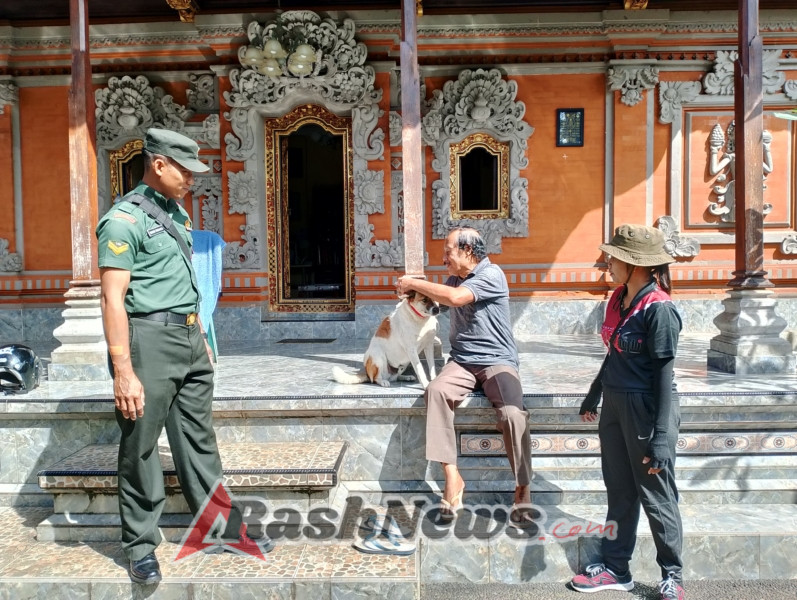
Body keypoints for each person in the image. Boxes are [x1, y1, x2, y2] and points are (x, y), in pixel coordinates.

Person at [96, 128, 273, 584]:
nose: (192, 179)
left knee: (198, 439)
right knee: (140, 446)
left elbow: (183, 283)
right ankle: (140, 546)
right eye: (185, 170)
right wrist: (123, 371)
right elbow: (112, 300)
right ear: (159, 165)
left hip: (189, 340)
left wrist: (202, 337)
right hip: (148, 343)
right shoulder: (123, 221)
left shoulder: (176, 213)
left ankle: (220, 527)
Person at [571, 224, 685, 600]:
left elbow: (665, 377)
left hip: (645, 408)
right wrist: (593, 395)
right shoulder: (617, 298)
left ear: (635, 264)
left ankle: (672, 574)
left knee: (655, 493)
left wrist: (663, 438)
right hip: (615, 408)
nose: (607, 262)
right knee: (619, 491)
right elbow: (614, 354)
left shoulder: (660, 309)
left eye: (613, 257)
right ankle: (617, 568)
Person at [397, 226, 532, 523]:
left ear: (468, 251)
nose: (443, 257)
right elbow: (438, 304)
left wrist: (416, 281)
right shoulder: (454, 279)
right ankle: (452, 477)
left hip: (497, 361)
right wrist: (412, 295)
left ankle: (522, 486)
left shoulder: (491, 274)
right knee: (436, 392)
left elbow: (457, 298)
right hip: (462, 361)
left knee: (512, 415)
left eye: (448, 251)